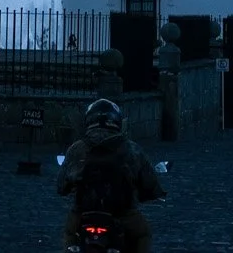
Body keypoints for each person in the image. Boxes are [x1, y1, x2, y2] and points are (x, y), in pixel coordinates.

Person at [58, 98, 166, 253]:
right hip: (122, 213)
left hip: (82, 212)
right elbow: (149, 183)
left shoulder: (76, 149)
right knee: (143, 234)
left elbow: (61, 186)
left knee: (69, 235)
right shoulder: (131, 149)